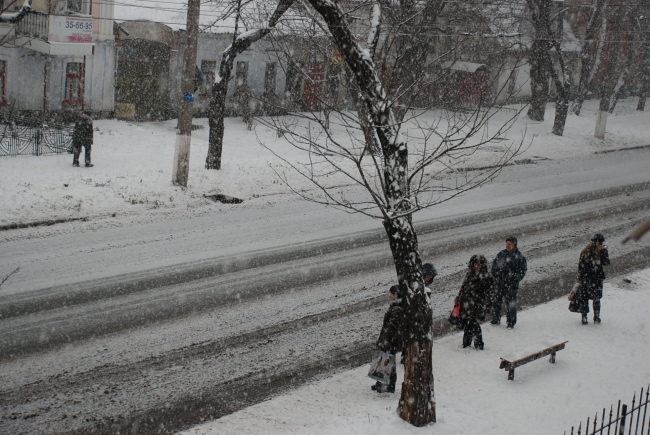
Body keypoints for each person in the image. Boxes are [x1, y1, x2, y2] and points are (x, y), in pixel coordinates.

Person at [456, 255, 495, 350]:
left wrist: (486, 307)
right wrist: (459, 299)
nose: (477, 266)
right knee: (468, 324)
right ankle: (468, 343)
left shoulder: (487, 277)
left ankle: (477, 344)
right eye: (475, 264)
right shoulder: (470, 274)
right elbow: (464, 288)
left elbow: (490, 294)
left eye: (479, 265)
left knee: (474, 324)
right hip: (468, 304)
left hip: (478, 305)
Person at [491, 236, 527, 329]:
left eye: (509, 244)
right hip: (499, 284)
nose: (507, 246)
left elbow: (522, 271)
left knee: (510, 304)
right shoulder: (501, 254)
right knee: (496, 302)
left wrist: (514, 278)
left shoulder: (519, 257)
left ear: (514, 245)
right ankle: (495, 319)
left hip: (511, 285)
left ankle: (511, 322)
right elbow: (494, 267)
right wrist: (497, 275)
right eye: (506, 244)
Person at [372, 284, 402, 393]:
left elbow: (392, 327)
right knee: (387, 361)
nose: (389, 295)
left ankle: (387, 384)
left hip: (390, 341)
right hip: (390, 340)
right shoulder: (396, 306)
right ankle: (384, 383)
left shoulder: (397, 309)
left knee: (387, 362)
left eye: (391, 293)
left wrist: (386, 340)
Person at [577, 233, 610, 325]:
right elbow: (606, 262)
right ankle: (596, 317)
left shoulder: (585, 251)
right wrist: (605, 251)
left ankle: (584, 318)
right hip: (597, 279)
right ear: (600, 242)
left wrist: (580, 278)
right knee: (596, 299)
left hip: (586, 278)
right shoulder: (601, 251)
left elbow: (580, 266)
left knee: (584, 298)